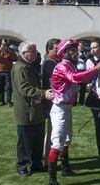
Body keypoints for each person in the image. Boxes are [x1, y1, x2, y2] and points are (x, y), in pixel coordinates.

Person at [47, 40, 100, 185]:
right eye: (71, 50)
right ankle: (52, 178)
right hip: (59, 109)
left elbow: (83, 78)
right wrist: (95, 69)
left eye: (75, 50)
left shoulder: (70, 65)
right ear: (64, 53)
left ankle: (65, 168)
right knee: (57, 142)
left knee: (66, 139)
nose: (76, 52)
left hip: (67, 107)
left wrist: (97, 71)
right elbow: (75, 78)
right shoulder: (62, 66)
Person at [12, 41, 54, 177]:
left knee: (37, 139)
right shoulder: (20, 68)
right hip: (26, 110)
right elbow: (25, 89)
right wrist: (44, 94)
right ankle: (22, 165)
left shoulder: (30, 65)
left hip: (36, 109)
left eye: (36, 51)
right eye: (32, 51)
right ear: (23, 53)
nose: (36, 54)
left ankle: (36, 163)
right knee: (25, 141)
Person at [41, 38, 61, 168]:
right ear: (49, 50)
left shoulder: (53, 61)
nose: (58, 50)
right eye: (56, 48)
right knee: (52, 132)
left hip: (52, 99)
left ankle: (47, 158)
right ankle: (47, 160)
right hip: (51, 100)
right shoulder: (50, 63)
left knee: (53, 131)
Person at [0, 39, 17, 106]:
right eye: (3, 44)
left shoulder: (10, 50)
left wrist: (9, 50)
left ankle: (8, 101)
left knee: (9, 87)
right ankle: (1, 101)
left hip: (8, 71)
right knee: (0, 87)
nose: (4, 45)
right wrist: (0, 48)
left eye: (5, 44)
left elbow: (14, 58)